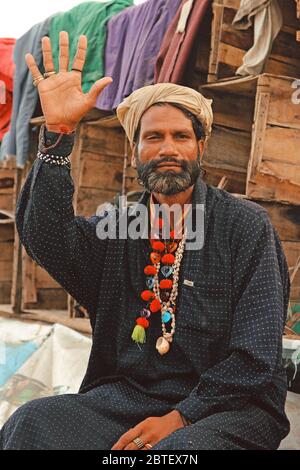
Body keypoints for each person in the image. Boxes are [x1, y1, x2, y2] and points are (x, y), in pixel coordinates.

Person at [0, 32, 290, 450]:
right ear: (135, 150)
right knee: (31, 425)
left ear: (200, 147)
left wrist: (181, 417)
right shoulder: (119, 225)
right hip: (131, 397)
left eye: (181, 137)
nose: (168, 148)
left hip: (231, 407)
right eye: (153, 138)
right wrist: (59, 133)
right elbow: (47, 239)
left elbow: (256, 354)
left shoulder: (245, 227)